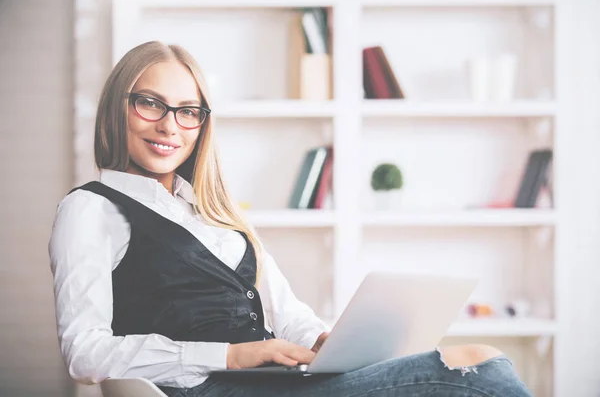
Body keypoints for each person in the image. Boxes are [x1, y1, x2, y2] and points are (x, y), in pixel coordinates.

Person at [48, 41, 532, 397]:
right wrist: (232, 356)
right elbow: (85, 354)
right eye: (151, 103)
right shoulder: (91, 208)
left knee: (483, 358)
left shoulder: (213, 210)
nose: (170, 125)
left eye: (188, 111)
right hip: (214, 389)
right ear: (120, 106)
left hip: (276, 382)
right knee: (478, 367)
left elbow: (287, 312)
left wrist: (327, 341)